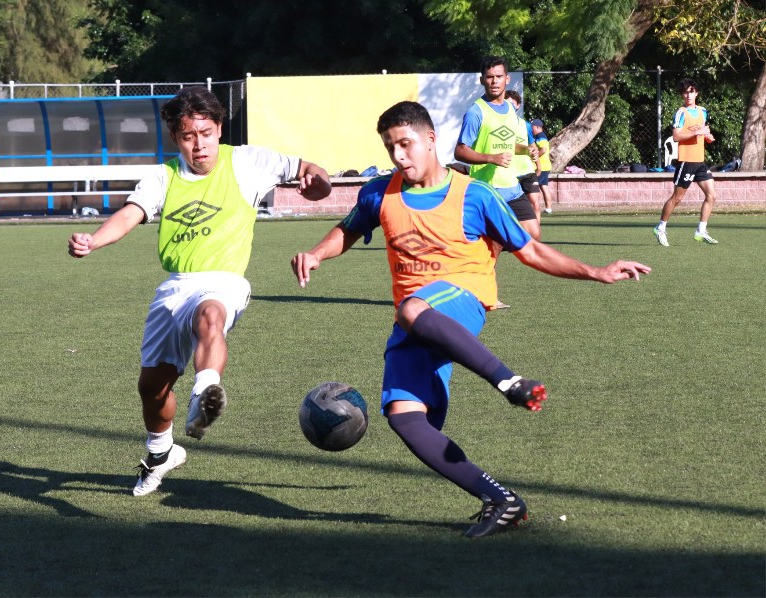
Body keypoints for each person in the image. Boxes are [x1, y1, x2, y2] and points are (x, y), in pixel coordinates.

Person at [291, 101, 650, 538]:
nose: (399, 156)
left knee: (411, 307)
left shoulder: (475, 195)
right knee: (404, 416)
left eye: (406, 144)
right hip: (415, 321)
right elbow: (346, 230)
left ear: (430, 140)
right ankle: (501, 500)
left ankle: (510, 382)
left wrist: (595, 271)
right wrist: (316, 253)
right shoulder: (378, 193)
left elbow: (530, 251)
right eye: (391, 148)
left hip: (463, 299)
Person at [68, 86, 332, 497]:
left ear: (220, 129)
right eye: (189, 136)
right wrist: (94, 240)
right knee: (152, 389)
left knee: (212, 317)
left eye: (206, 133)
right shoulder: (163, 177)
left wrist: (319, 183)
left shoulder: (247, 162)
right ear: (176, 138)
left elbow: (312, 173)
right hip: (174, 286)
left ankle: (206, 388)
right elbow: (128, 215)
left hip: (225, 280)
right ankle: (160, 453)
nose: (200, 145)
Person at [455, 57, 540, 242]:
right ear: (482, 80)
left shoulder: (510, 109)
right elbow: (460, 151)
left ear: (507, 79)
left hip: (512, 187)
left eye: (499, 76)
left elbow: (507, 145)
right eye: (489, 77)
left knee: (533, 234)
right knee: (491, 246)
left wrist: (526, 150)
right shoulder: (476, 112)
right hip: (487, 189)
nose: (494, 81)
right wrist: (491, 158)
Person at [654, 78, 719, 246]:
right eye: (685, 92)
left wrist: (707, 136)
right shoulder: (681, 112)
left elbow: (703, 131)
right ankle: (660, 227)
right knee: (677, 198)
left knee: (711, 196)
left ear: (696, 92)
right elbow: (676, 136)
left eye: (691, 91)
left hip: (700, 162)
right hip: (686, 161)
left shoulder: (703, 111)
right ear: (682, 95)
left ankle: (701, 230)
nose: (688, 95)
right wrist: (698, 132)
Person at [503, 90, 544, 223]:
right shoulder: (499, 124)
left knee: (534, 203)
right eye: (507, 103)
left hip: (526, 170)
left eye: (512, 104)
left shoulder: (525, 125)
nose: (509, 106)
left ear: (518, 106)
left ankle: (535, 238)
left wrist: (538, 166)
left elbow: (533, 148)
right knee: (509, 209)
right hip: (509, 173)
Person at [531, 119, 554, 214]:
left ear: (537, 127)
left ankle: (533, 207)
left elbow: (543, 149)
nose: (531, 129)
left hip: (542, 167)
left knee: (533, 186)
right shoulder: (539, 136)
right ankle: (548, 208)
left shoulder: (540, 136)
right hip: (546, 167)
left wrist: (535, 157)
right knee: (544, 186)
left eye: (532, 127)